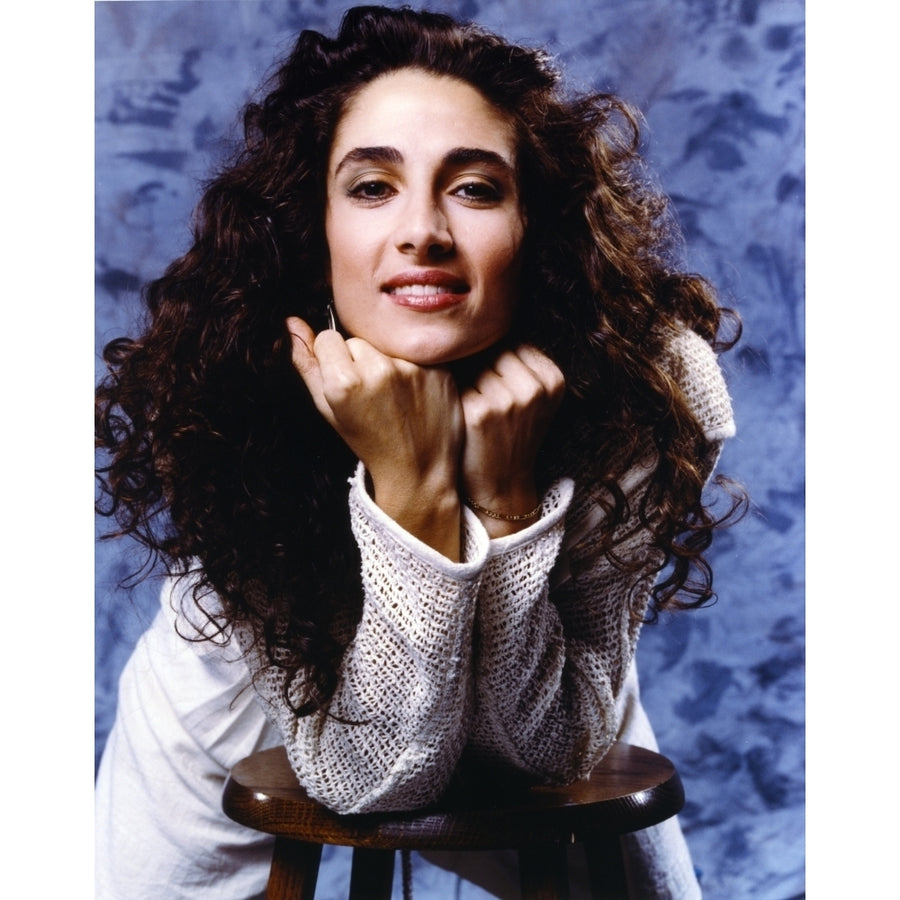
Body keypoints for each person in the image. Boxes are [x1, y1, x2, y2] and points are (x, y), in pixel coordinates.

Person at [94, 6, 743, 898]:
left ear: (537, 224)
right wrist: (414, 489)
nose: (421, 231)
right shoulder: (241, 382)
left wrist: (513, 505)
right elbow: (370, 774)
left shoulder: (649, 388)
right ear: (315, 229)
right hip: (249, 691)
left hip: (546, 677)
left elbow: (547, 752)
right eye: (371, 188)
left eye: (475, 188)